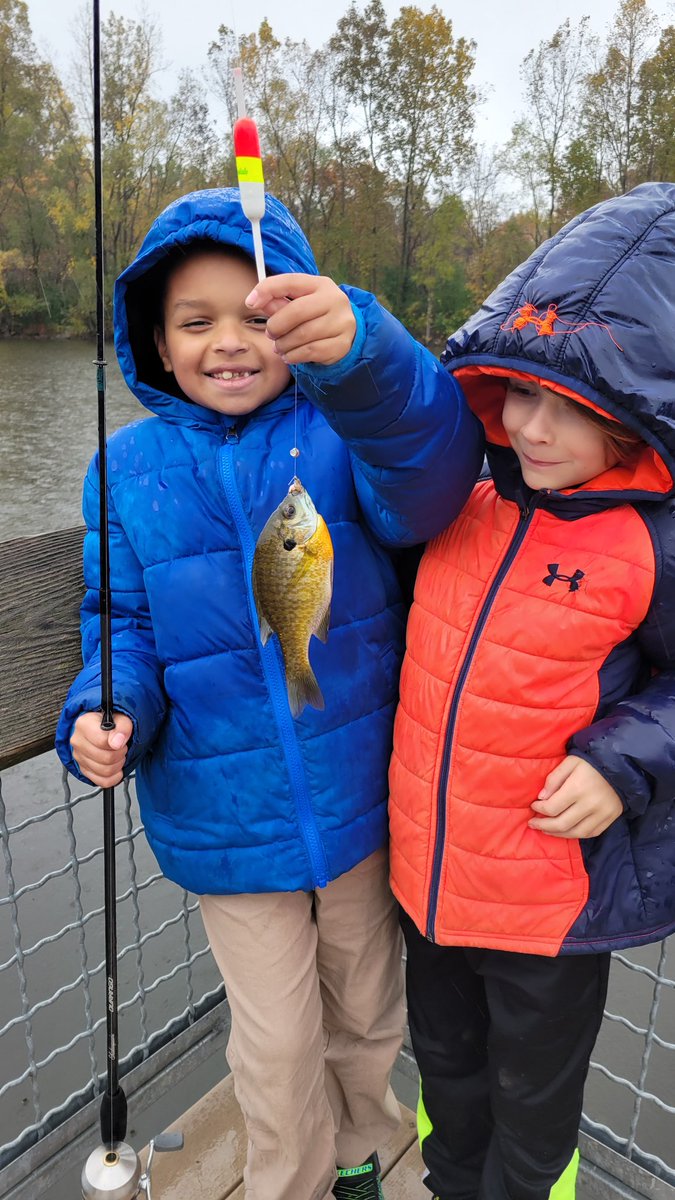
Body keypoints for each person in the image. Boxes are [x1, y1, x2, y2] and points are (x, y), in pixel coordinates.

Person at [55, 187, 483, 1200]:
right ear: (154, 342)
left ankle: (367, 1157)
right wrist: (105, 706)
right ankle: (286, 1181)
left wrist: (364, 355)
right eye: (195, 322)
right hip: (224, 823)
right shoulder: (125, 471)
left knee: (370, 1013)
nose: (229, 342)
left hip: (356, 806)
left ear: (296, 318)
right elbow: (119, 622)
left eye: (258, 314)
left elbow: (434, 470)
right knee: (280, 1040)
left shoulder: (345, 434)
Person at [388, 181, 675, 1200]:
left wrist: (620, 760)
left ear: (638, 421)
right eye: (519, 394)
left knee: (532, 1104)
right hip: (427, 887)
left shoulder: (651, 544)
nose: (534, 427)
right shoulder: (460, 493)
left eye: (573, 408)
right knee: (448, 1079)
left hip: (547, 907)